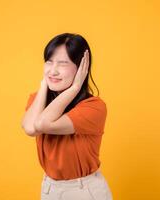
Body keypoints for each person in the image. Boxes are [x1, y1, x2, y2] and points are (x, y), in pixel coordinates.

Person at [21, 33, 113, 200]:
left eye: (62, 63)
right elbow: (30, 128)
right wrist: (44, 84)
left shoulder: (94, 107)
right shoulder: (38, 100)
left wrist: (75, 87)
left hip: (84, 190)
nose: (53, 70)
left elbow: (42, 124)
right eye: (49, 62)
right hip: (50, 189)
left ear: (81, 68)